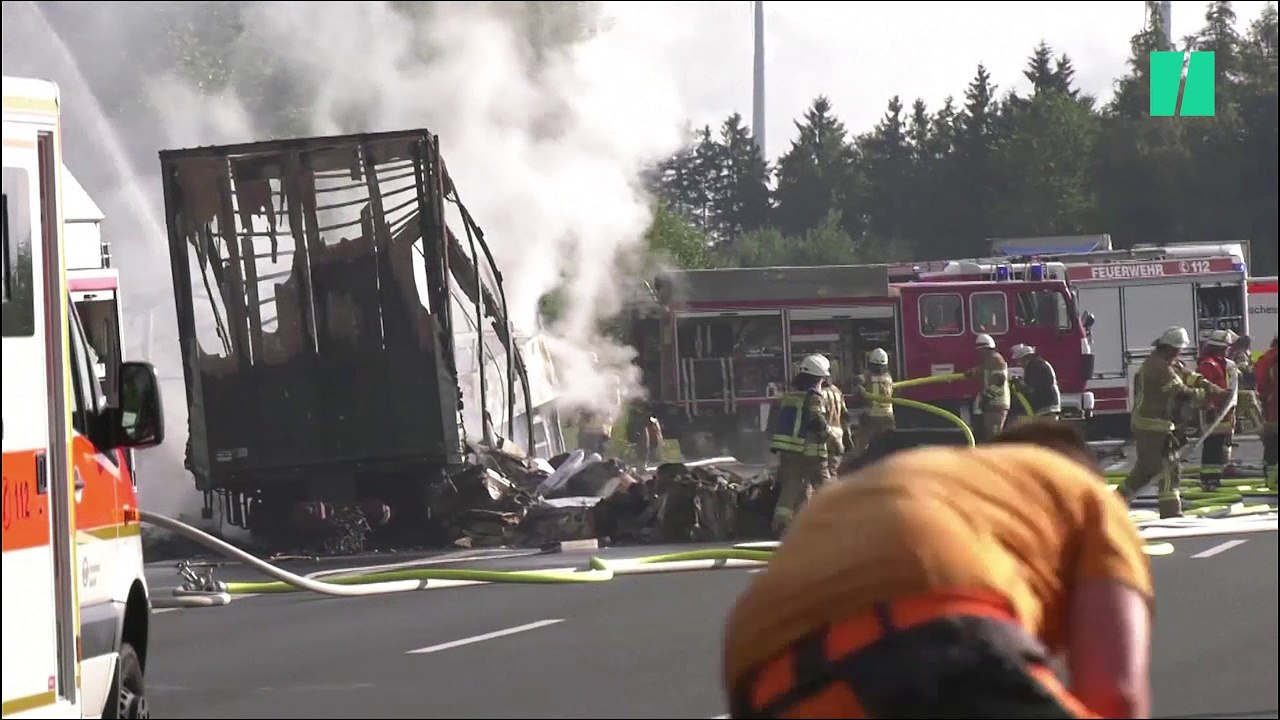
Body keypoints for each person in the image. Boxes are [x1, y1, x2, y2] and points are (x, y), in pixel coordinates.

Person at [723, 418, 1154, 719]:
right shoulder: (1088, 496)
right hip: (933, 632)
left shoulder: (938, 478)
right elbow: (1115, 695)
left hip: (766, 671)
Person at [1119, 326, 1227, 518]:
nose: (1180, 353)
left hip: (1156, 423)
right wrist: (1207, 396)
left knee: (1145, 471)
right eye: (1178, 349)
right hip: (1150, 425)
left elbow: (1190, 376)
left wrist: (1215, 389)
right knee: (1168, 467)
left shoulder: (1170, 362)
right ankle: (1171, 513)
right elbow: (1181, 392)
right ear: (1169, 347)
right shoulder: (1158, 367)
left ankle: (1113, 504)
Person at [768, 354, 833, 536]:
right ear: (818, 378)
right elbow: (816, 420)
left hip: (789, 450)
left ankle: (782, 525)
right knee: (827, 488)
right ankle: (840, 523)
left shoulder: (790, 395)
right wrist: (829, 435)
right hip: (810, 452)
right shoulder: (814, 397)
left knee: (792, 489)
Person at [1196, 329, 1240, 492]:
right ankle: (1209, 480)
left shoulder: (1220, 363)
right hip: (1213, 412)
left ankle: (1214, 478)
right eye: (1227, 347)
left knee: (1218, 445)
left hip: (1222, 411)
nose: (1228, 350)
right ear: (1220, 348)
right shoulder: (1208, 364)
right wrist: (1210, 407)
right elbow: (1205, 388)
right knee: (1212, 446)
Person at [964, 334, 1010, 442]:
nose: (979, 353)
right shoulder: (989, 361)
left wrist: (986, 398)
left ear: (986, 349)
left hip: (997, 403)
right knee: (988, 433)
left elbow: (998, 382)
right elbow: (983, 370)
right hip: (992, 404)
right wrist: (972, 372)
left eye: (981, 350)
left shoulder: (996, 360)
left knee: (993, 435)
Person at [852, 348, 895, 457]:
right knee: (889, 444)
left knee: (861, 444)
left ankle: (859, 463)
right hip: (888, 416)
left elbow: (858, 384)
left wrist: (858, 387)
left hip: (871, 415)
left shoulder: (867, 375)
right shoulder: (888, 377)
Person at [1011, 343, 1061, 420]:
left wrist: (1018, 383)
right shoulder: (1039, 363)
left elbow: (1030, 387)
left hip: (1045, 406)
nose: (1019, 364)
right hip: (1050, 404)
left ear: (1025, 358)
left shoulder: (1034, 366)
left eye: (1019, 360)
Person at [821, 375, 852, 484]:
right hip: (838, 432)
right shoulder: (837, 391)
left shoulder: (819, 393)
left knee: (822, 470)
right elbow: (845, 415)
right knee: (833, 470)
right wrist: (847, 435)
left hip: (825, 432)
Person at [1257, 336, 1278, 491]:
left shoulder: (1265, 357)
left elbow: (1262, 384)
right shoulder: (1275, 358)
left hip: (1270, 404)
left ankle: (1270, 479)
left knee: (1271, 443)